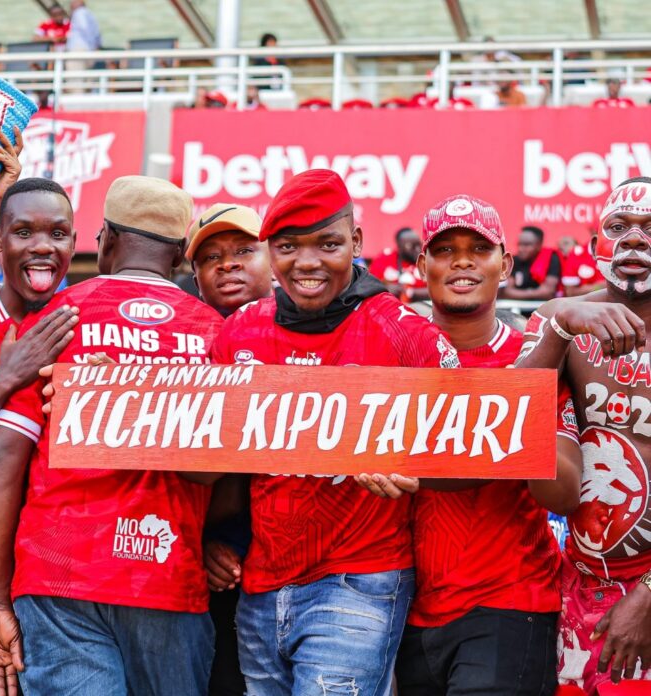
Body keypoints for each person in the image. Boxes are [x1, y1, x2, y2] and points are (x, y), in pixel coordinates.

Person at [209, 169, 459, 696]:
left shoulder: (406, 333)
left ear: (356, 242)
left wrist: (410, 466)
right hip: (261, 587)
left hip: (360, 580)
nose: (307, 262)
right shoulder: (241, 331)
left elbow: (466, 445)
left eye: (327, 244)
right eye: (287, 247)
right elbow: (214, 451)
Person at [0, 176, 224, 696]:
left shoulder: (55, 321)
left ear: (105, 239)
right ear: (180, 254)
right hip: (167, 576)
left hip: (58, 576)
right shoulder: (215, 333)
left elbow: (4, 459)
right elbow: (229, 475)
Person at [357, 194, 582, 695]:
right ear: (422, 265)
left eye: (479, 249)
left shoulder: (533, 357)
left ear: (506, 265)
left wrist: (514, 401)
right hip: (406, 612)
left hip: (509, 606)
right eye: (445, 250)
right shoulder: (391, 357)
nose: (462, 262)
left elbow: (565, 494)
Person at [516, 176, 651, 694]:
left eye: (649, 228)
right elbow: (510, 420)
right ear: (596, 244)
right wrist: (561, 324)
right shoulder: (560, 321)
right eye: (619, 227)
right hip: (579, 582)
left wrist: (648, 594)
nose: (634, 239)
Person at [0, 176, 78, 696]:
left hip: (64, 589)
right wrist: (5, 379)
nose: (43, 246)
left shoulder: (86, 326)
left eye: (58, 233)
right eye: (24, 232)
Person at [186, 202, 272, 696]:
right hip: (207, 568)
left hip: (302, 568)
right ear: (196, 277)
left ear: (274, 259)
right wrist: (201, 543)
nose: (228, 265)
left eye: (243, 250)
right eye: (211, 257)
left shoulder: (310, 330)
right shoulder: (181, 344)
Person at [501, 225, 562, 301]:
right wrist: (535, 293)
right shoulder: (514, 260)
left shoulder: (551, 258)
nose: (521, 248)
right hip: (517, 306)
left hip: (544, 307)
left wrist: (517, 293)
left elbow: (548, 292)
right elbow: (506, 292)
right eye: (519, 244)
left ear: (539, 245)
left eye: (526, 245)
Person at [369, 226, 427, 302]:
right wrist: (385, 288)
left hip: (421, 306)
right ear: (399, 246)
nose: (417, 249)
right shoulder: (383, 259)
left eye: (419, 244)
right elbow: (369, 285)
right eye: (411, 246)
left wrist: (410, 292)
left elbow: (437, 290)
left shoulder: (425, 260)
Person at [561, 230, 605, 297]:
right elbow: (570, 293)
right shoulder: (576, 255)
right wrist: (597, 287)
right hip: (588, 302)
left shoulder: (620, 252)